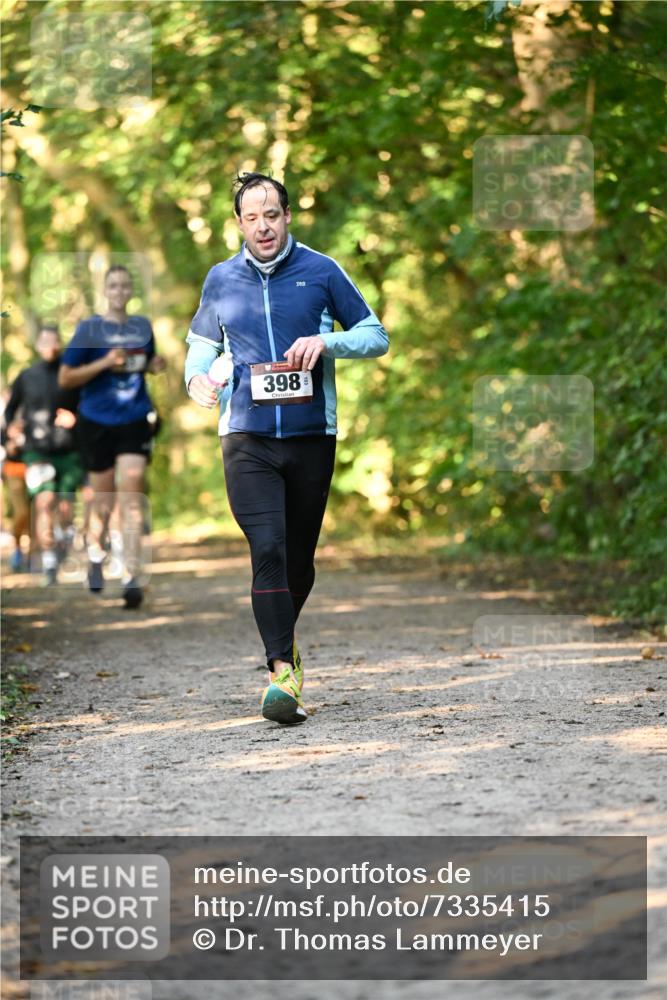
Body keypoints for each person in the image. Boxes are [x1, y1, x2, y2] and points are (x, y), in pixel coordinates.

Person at [184, 172, 389, 725]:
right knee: (268, 546)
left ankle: (284, 647)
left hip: (309, 438)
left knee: (299, 560)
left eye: (271, 215)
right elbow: (200, 351)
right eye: (251, 218)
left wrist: (327, 341)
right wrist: (198, 382)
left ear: (287, 216)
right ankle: (281, 672)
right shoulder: (221, 279)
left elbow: (376, 334)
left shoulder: (321, 271)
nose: (263, 226)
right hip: (246, 437)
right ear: (239, 224)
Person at [59, 265, 165, 608]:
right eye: (113, 286)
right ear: (105, 291)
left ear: (131, 290)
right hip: (96, 421)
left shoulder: (142, 327)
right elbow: (66, 378)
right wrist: (104, 362)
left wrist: (154, 365)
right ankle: (95, 551)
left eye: (125, 285)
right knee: (103, 501)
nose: (119, 291)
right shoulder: (89, 329)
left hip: (134, 417)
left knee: (132, 489)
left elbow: (145, 361)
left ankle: (132, 576)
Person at [2, 325, 83, 584]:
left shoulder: (70, 374)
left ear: (60, 343)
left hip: (69, 450)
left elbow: (88, 405)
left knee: (66, 506)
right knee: (44, 502)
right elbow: (10, 411)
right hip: (36, 451)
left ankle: (64, 536)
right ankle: (48, 561)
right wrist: (9, 437)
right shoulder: (26, 376)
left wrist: (76, 418)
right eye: (45, 340)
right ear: (37, 345)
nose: (50, 345)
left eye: (54, 340)